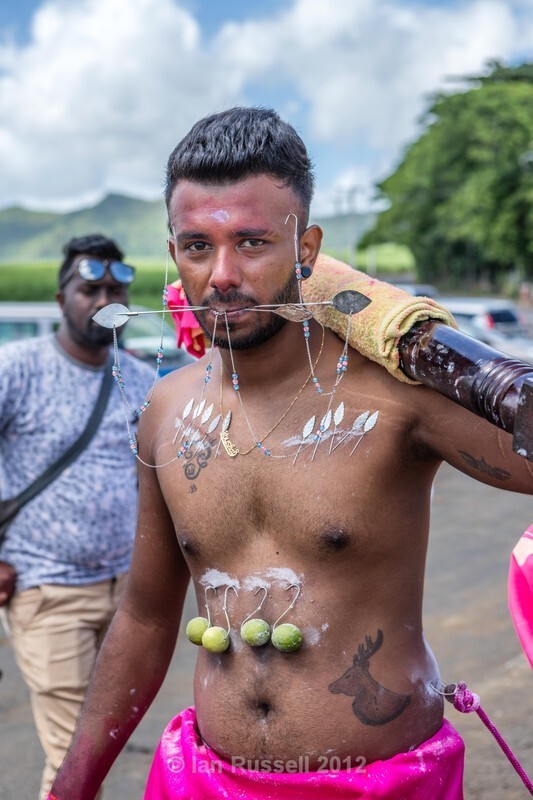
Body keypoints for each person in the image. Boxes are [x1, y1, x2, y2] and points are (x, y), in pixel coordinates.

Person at [50, 110, 532, 800]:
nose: (220, 274)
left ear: (306, 248)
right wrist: (72, 786)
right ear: (171, 251)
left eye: (250, 243)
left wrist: (477, 370)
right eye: (195, 246)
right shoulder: (167, 409)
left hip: (384, 784)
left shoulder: (395, 399)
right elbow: (147, 615)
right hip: (203, 780)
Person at [0, 234, 156, 800]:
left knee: (103, 750)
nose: (104, 298)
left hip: (130, 601)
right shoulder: (15, 369)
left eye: (115, 288)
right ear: (62, 297)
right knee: (75, 760)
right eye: (90, 288)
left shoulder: (141, 378)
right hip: (48, 593)